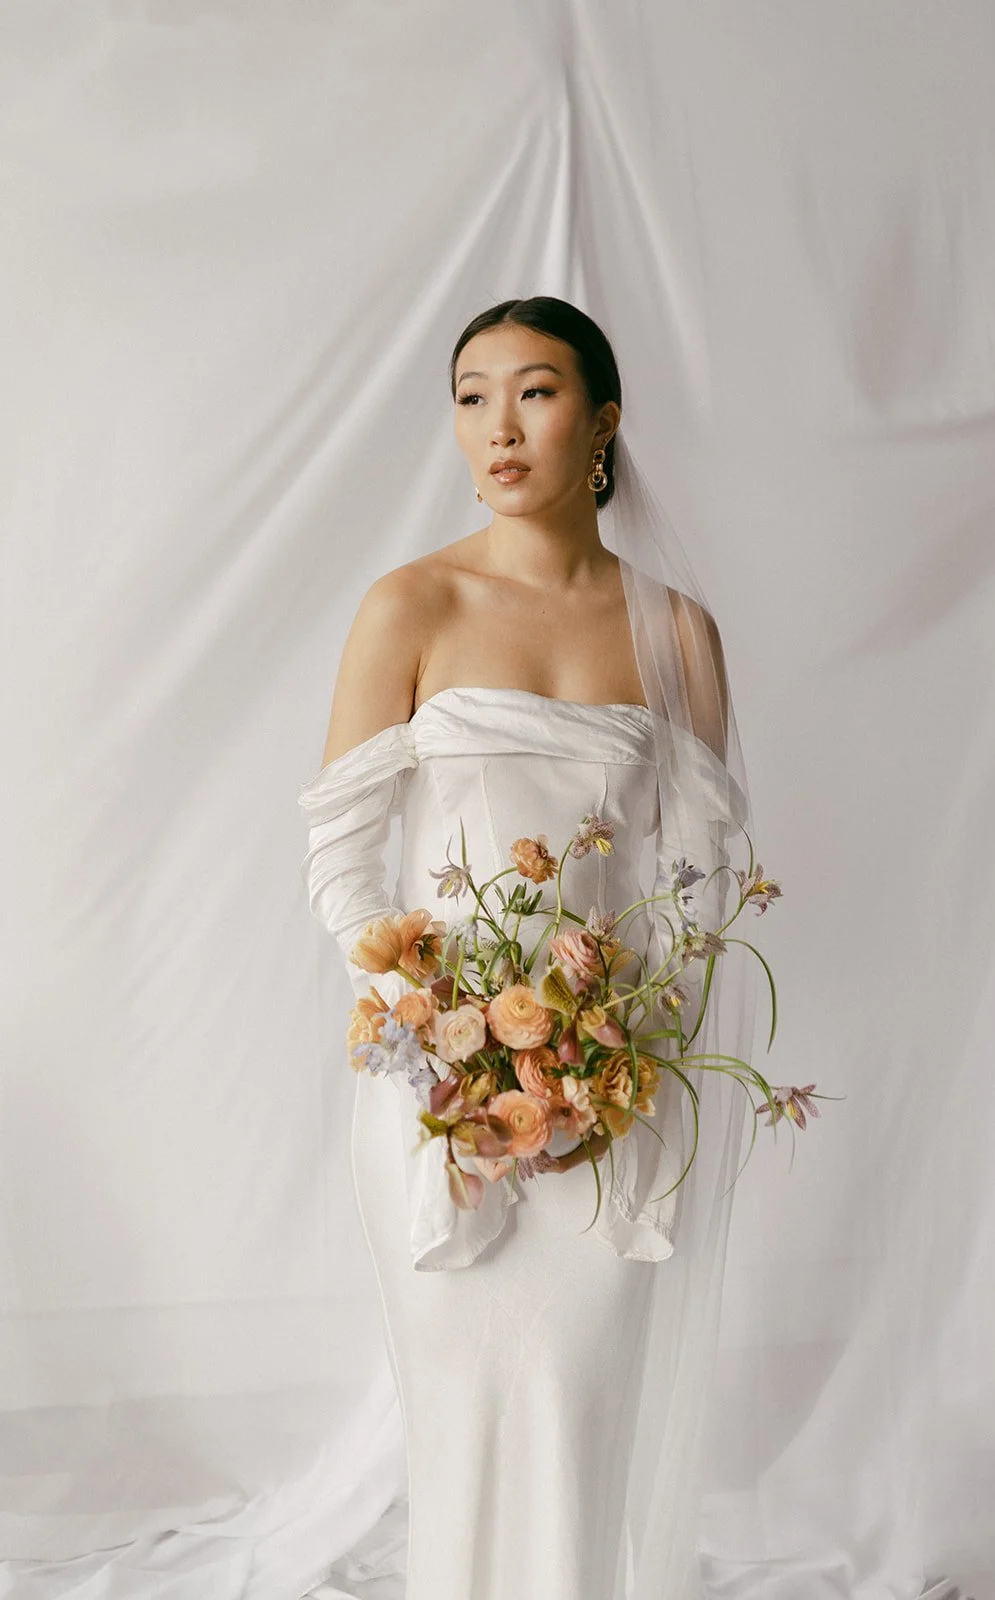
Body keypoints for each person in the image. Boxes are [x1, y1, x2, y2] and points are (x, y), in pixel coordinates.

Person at [297, 296, 758, 1599]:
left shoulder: (675, 633)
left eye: (538, 391)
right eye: (471, 394)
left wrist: (617, 1038)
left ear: (603, 420)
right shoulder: (411, 605)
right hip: (434, 1094)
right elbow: (343, 858)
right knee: (461, 1419)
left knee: (577, 1413)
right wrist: (436, 1029)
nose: (499, 425)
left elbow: (698, 871)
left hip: (614, 1091)